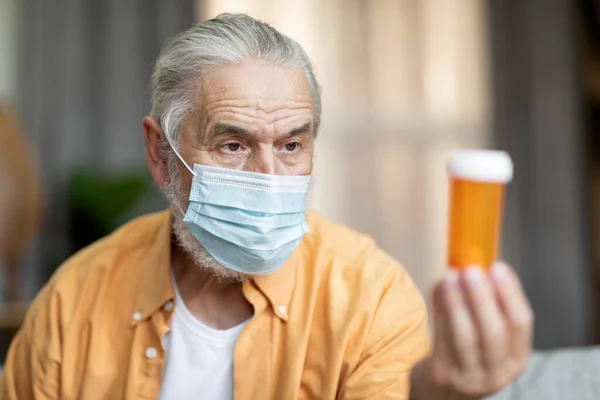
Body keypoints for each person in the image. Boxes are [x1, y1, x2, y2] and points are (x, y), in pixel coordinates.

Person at [0, 14, 533, 400]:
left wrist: (438, 394)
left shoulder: (372, 300)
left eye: (291, 145)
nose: (270, 180)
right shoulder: (76, 301)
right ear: (160, 154)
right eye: (233, 146)